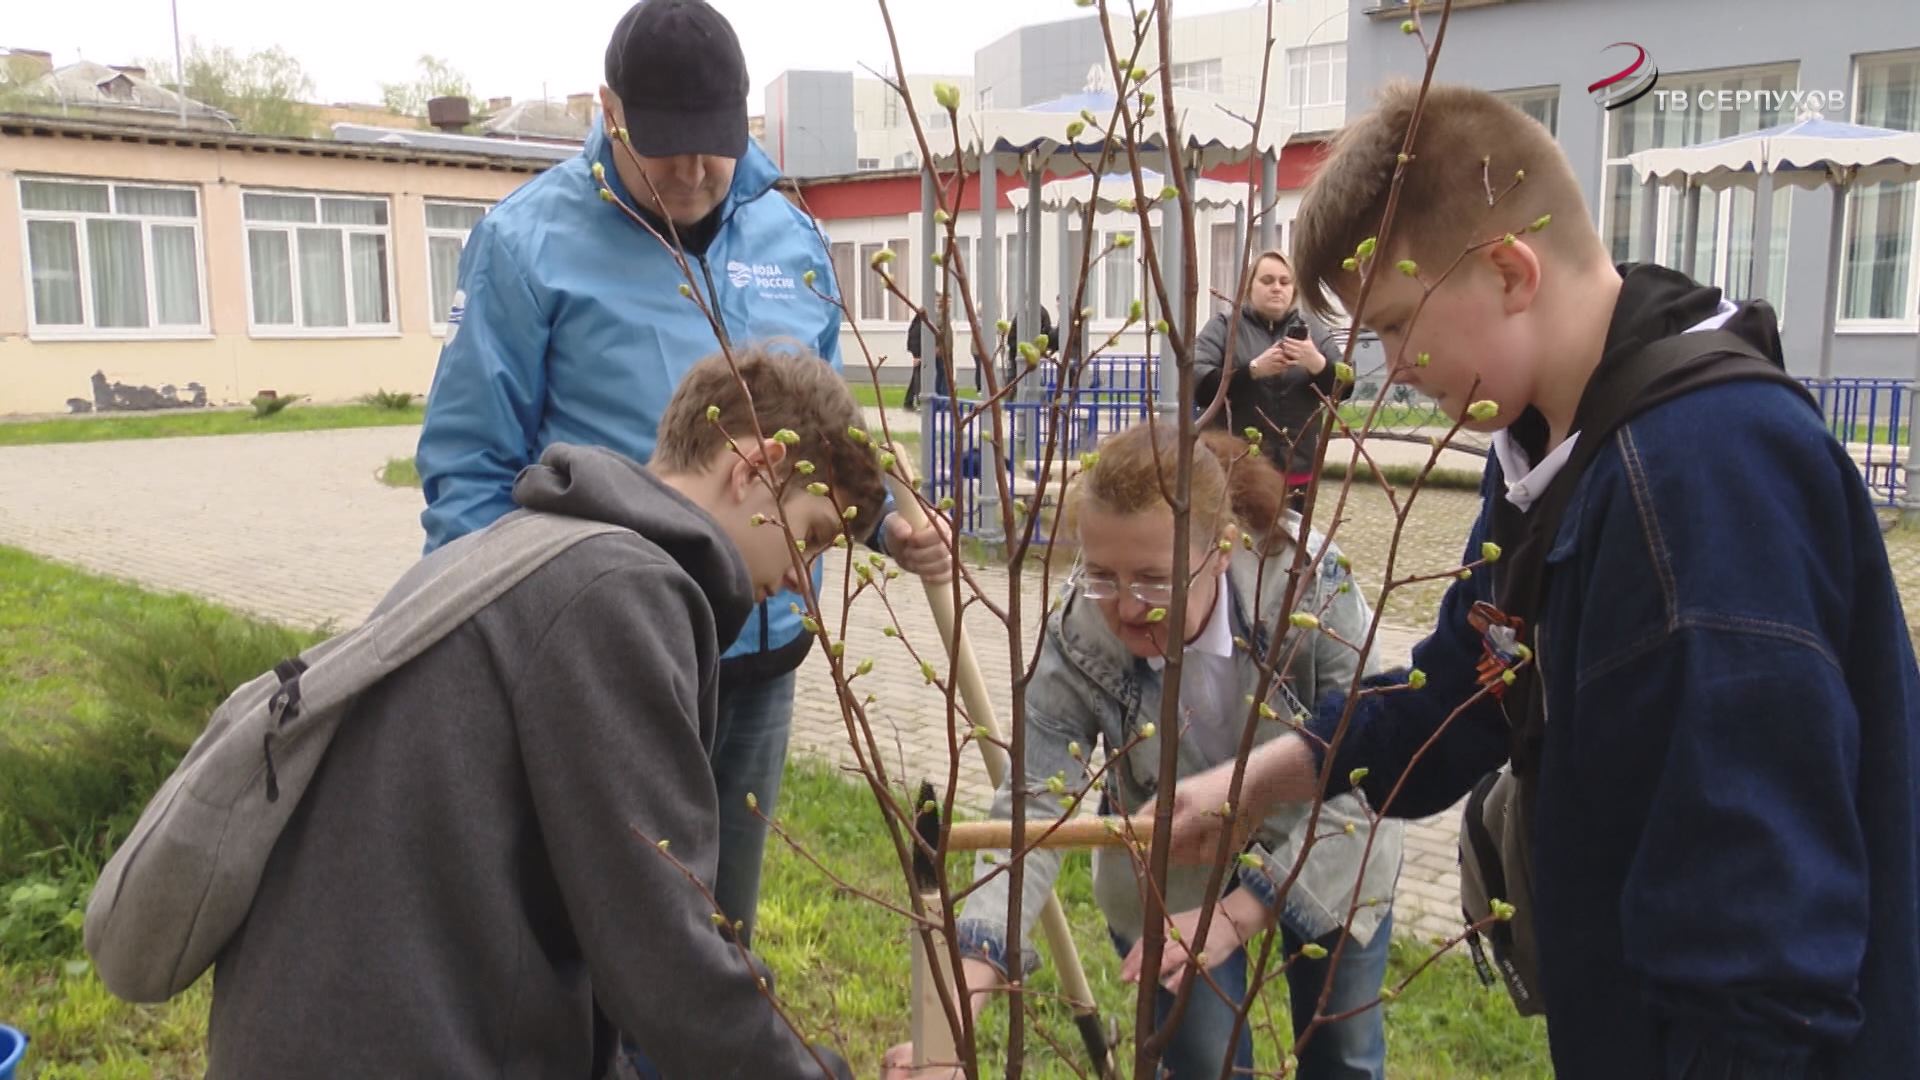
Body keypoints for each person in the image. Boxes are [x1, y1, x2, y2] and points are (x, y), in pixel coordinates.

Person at [1167, 82, 1920, 1078]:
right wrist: (1259, 778)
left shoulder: (1702, 473)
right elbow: (1469, 685)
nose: (1390, 367)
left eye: (1396, 324)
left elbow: (1766, 940)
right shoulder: (1546, 443)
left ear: (1510, 270)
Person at [414, 0, 949, 955]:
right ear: (610, 110)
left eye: (718, 144)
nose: (697, 173)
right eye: (667, 148)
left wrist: (881, 519)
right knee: (597, 924)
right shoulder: (526, 242)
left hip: (759, 653)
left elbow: (822, 431)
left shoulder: (793, 239)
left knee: (715, 924)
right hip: (603, 650)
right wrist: (485, 633)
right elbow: (470, 464)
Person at [207, 346, 876, 1079]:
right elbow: (659, 946)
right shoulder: (620, 596)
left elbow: (584, 907)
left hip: (334, 1026)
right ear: (755, 467)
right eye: (811, 536)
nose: (799, 581)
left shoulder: (534, 546)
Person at [886, 422, 1403, 1080]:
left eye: (1155, 582)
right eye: (1102, 576)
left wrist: (1240, 912)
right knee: (1200, 1065)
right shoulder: (1079, 632)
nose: (1126, 608)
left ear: (1220, 551)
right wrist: (962, 997)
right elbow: (1038, 799)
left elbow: (1366, 776)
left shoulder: (1312, 591)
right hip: (1175, 857)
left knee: (1344, 1060)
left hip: (1328, 836)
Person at [1195, 250, 1348, 506]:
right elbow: (1199, 386)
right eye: (1267, 281)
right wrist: (1253, 370)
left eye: (1284, 282)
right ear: (1249, 287)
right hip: (1235, 468)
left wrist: (1317, 363)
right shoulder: (1223, 327)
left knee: (1290, 542)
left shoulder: (1314, 332)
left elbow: (1345, 388)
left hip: (1296, 467)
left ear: (1294, 289)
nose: (1277, 288)